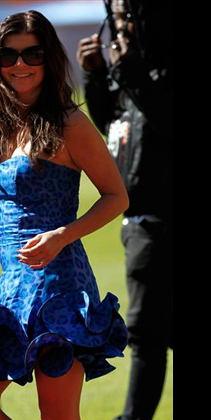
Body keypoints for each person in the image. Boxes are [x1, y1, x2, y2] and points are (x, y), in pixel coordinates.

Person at [0, 11, 130, 420]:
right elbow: (9, 206)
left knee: (58, 415)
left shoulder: (70, 123)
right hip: (11, 287)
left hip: (60, 286)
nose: (20, 65)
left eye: (33, 54)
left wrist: (62, 235)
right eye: (9, 56)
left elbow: (116, 197)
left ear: (50, 59)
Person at [76, 1, 172, 419]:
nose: (118, 26)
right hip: (140, 222)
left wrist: (127, 69)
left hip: (160, 220)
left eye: (127, 15)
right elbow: (116, 125)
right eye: (115, 16)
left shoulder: (158, 68)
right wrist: (96, 75)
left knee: (146, 333)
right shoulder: (131, 68)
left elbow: (165, 115)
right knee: (151, 332)